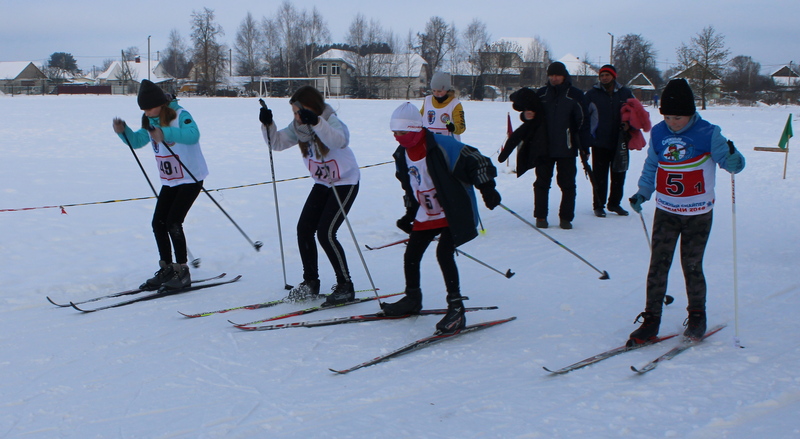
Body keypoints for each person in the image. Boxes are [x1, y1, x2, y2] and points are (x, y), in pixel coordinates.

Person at [627, 78, 746, 345]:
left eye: (678, 117)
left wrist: (735, 160)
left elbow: (731, 163)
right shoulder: (659, 133)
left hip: (698, 213)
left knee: (691, 265)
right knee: (658, 265)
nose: (672, 122)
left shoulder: (708, 133)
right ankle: (651, 320)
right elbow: (651, 167)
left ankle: (696, 316)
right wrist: (643, 193)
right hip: (666, 211)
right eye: (667, 116)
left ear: (691, 113)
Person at [381, 102, 501, 334]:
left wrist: (487, 188)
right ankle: (412, 298)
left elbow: (477, 160)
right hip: (427, 212)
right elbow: (412, 186)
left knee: (443, 253)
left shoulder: (442, 145)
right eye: (394, 133)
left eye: (403, 132)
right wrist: (409, 213)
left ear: (416, 128)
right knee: (412, 253)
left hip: (453, 209)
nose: (398, 137)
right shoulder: (401, 155)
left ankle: (456, 309)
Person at [259, 86, 360, 307]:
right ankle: (310, 281)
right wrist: (267, 124)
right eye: (294, 113)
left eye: (298, 111)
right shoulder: (298, 127)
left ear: (310, 108)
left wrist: (315, 121)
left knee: (326, 233)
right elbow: (276, 143)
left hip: (344, 182)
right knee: (304, 229)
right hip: (322, 183)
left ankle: (345, 285)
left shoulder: (329, 120)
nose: (295, 117)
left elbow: (338, 141)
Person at [112, 79, 208, 290]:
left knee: (174, 222)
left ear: (161, 104)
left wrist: (165, 134)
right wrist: (123, 131)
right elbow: (137, 141)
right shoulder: (150, 120)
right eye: (143, 110)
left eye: (149, 108)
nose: (147, 113)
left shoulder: (180, 115)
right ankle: (167, 268)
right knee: (158, 223)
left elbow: (193, 136)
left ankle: (182, 270)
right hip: (171, 180)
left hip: (191, 178)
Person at [534, 61, 590, 229]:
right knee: (541, 183)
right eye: (551, 75)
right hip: (544, 148)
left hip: (567, 147)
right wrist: (526, 115)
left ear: (564, 76)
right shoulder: (541, 94)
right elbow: (529, 116)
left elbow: (583, 122)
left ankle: (566, 218)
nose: (554, 78)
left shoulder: (575, 94)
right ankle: (541, 217)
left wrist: (584, 147)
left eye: (557, 75)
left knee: (567, 184)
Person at [585, 65, 635, 217]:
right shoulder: (592, 95)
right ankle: (599, 205)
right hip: (599, 142)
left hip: (620, 141)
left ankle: (614, 203)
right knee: (599, 176)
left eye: (607, 75)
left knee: (619, 174)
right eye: (602, 75)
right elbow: (584, 117)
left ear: (614, 76)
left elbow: (635, 114)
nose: (604, 78)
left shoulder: (625, 93)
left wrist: (629, 125)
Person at [497, 87, 548, 177]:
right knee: (542, 180)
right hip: (541, 144)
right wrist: (526, 115)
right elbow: (530, 113)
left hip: (554, 145)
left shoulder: (570, 95)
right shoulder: (542, 93)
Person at [420, 71, 466, 140]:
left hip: (448, 145)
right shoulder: (427, 100)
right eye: (434, 90)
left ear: (447, 90)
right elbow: (418, 119)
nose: (436, 93)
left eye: (439, 91)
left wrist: (454, 128)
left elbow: (461, 127)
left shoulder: (455, 104)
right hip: (430, 144)